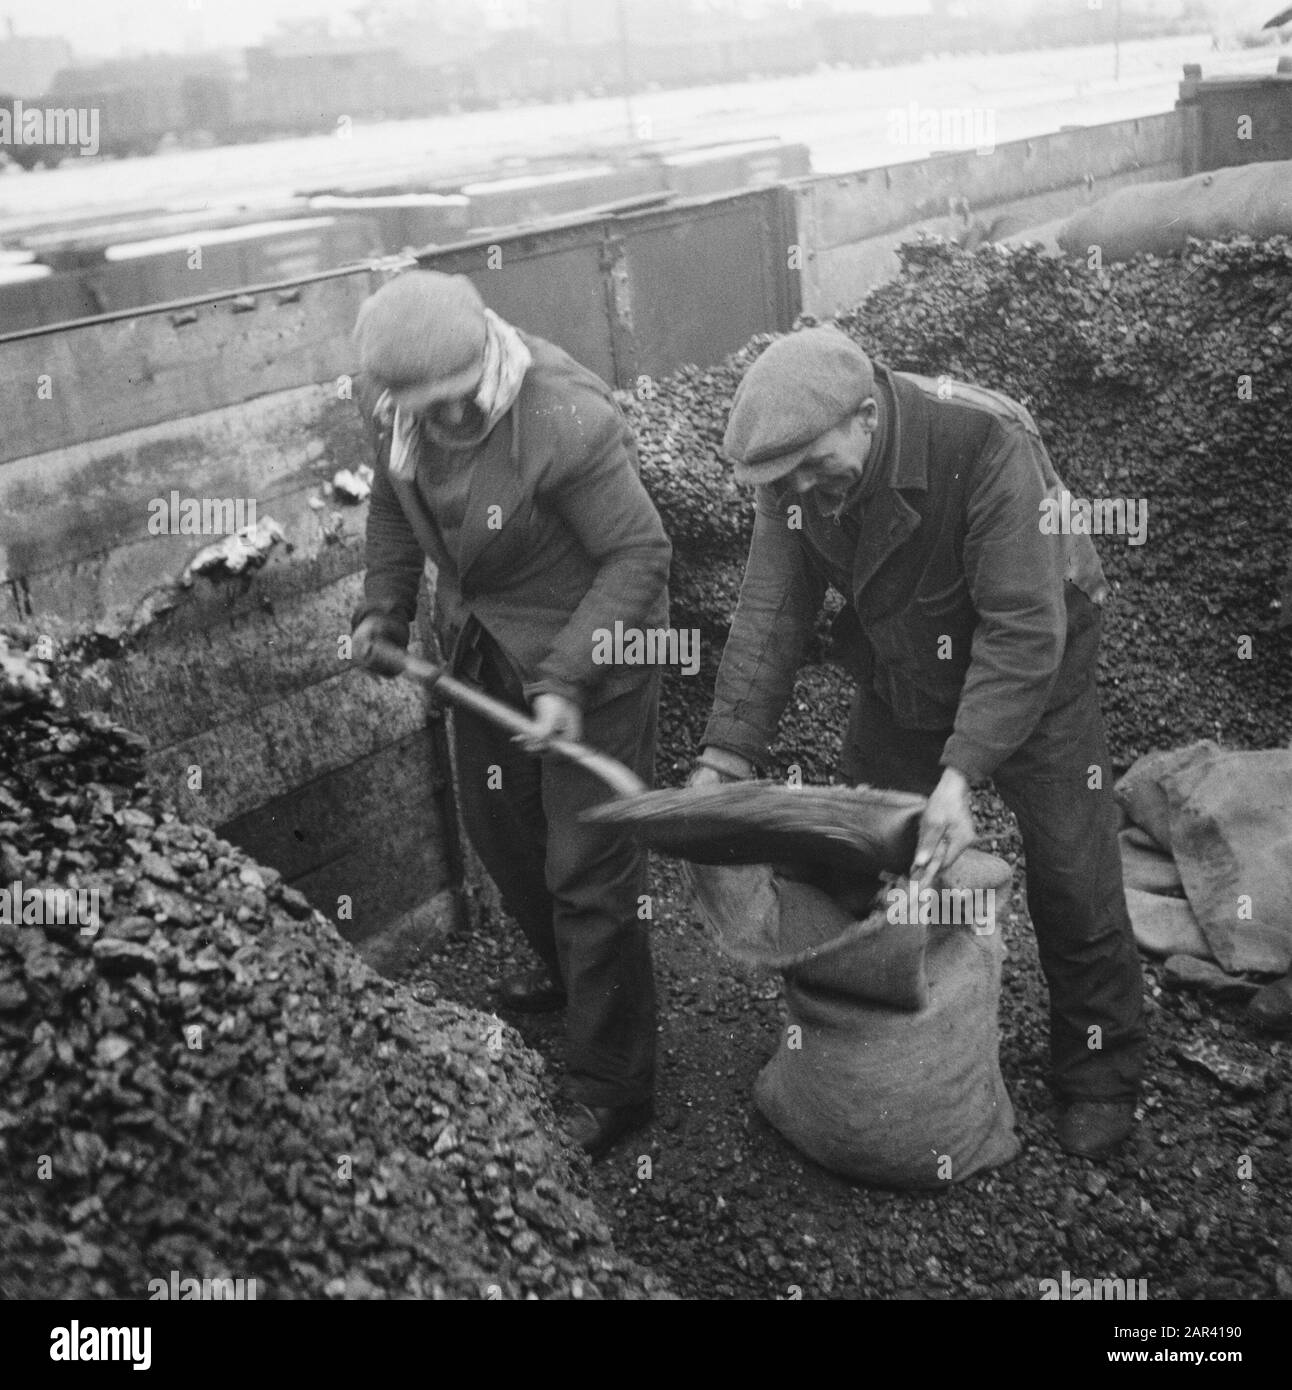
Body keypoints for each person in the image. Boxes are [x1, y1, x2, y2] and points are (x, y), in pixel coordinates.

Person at [690, 324, 1146, 1161]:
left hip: (1038, 669)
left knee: (1074, 874)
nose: (799, 490)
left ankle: (1101, 1070)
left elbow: (1020, 630)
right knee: (852, 852)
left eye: (812, 468)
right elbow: (771, 613)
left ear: (867, 415)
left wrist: (960, 777)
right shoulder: (792, 472)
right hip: (905, 664)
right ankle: (882, 1013)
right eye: (781, 480)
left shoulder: (984, 440)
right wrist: (727, 753)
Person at [349, 270, 670, 1156]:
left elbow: (639, 554)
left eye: (460, 404)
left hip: (591, 643)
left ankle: (615, 1083)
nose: (448, 424)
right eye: (428, 411)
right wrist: (385, 605)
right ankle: (578, 979)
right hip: (479, 647)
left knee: (589, 871)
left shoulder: (563, 414)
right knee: (504, 836)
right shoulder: (388, 405)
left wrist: (566, 679)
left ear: (485, 356)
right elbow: (392, 499)